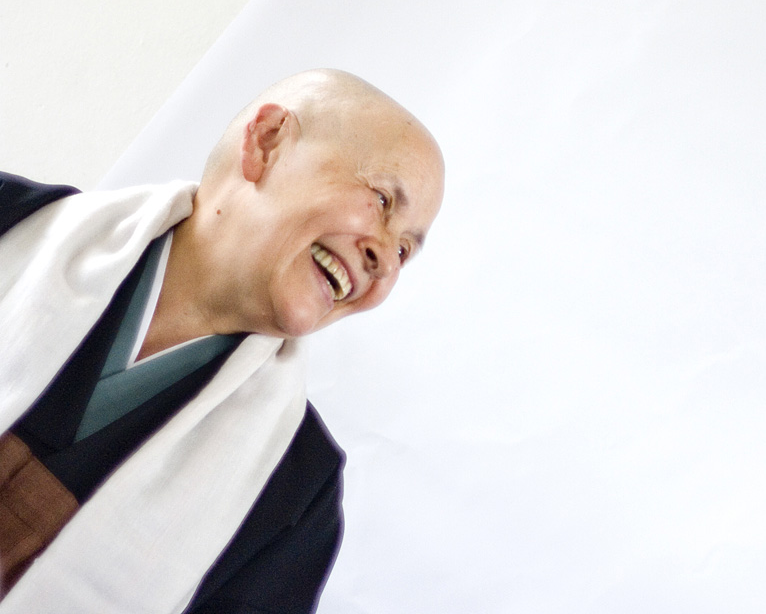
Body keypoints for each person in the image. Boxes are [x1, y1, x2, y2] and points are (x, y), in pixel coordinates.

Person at [0, 69, 445, 613]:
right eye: (380, 199)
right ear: (266, 142)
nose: (382, 259)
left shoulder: (292, 494)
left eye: (404, 251)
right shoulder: (12, 224)